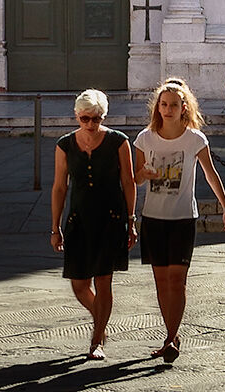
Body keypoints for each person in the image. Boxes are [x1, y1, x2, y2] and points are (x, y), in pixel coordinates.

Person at [133, 78, 225, 364]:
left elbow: (210, 173)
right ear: (157, 107)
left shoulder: (195, 139)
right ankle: (171, 335)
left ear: (183, 108)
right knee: (161, 281)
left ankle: (171, 337)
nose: (168, 110)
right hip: (153, 218)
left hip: (183, 218)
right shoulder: (145, 139)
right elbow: (135, 179)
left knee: (177, 280)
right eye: (163, 105)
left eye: (174, 105)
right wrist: (144, 175)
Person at [50, 89, 136, 360]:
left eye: (96, 119)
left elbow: (129, 182)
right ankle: (101, 320)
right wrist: (55, 227)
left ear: (104, 116)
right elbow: (59, 187)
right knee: (78, 284)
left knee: (103, 280)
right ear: (76, 115)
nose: (90, 124)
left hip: (111, 219)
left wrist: (131, 220)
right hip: (78, 219)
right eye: (85, 118)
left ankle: (96, 340)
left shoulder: (118, 141)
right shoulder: (65, 145)